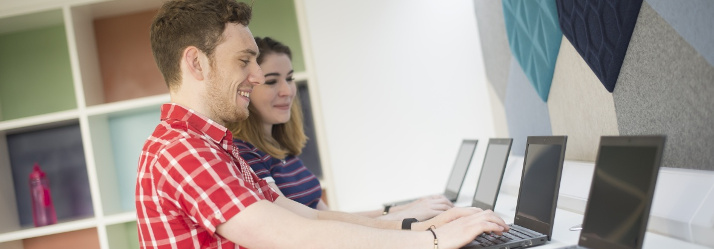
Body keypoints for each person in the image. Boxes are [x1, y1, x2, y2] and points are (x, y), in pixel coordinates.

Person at [136, 0, 509, 248]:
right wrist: (435, 239)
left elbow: (307, 216)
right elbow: (291, 235)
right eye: (244, 61)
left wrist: (421, 228)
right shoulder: (181, 151)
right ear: (196, 63)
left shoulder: (214, 147)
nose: (255, 74)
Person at [229, 36, 453, 221]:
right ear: (248, 87)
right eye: (271, 81)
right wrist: (404, 217)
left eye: (289, 78)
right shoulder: (246, 155)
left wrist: (400, 211)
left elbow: (327, 217)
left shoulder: (281, 150)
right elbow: (303, 225)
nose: (287, 91)